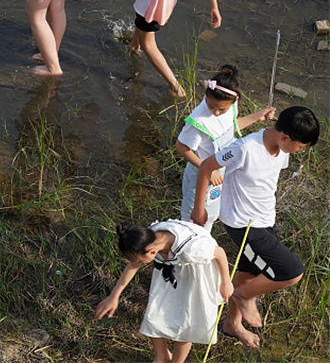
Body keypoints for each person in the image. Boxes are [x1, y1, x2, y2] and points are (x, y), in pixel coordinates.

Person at [191, 106, 320, 348]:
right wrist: (200, 208)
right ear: (285, 136)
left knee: (247, 274)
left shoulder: (282, 148)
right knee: (292, 272)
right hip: (244, 225)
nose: (299, 152)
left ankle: (231, 324)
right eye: (300, 147)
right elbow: (208, 166)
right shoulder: (245, 148)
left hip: (264, 220)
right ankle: (243, 297)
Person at [95, 220, 233, 363]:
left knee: (185, 323)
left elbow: (219, 253)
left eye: (142, 260)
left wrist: (226, 282)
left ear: (152, 252)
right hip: (173, 269)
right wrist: (114, 295)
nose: (140, 263)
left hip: (197, 275)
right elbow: (134, 264)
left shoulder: (193, 248)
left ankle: (177, 361)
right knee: (154, 315)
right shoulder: (148, 238)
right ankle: (162, 356)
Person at [175, 65, 275, 230]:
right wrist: (206, 169)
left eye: (221, 109)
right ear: (206, 95)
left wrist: (257, 116)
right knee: (194, 217)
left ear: (234, 101)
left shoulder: (230, 108)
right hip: (201, 175)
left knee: (211, 211)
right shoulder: (199, 121)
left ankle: (206, 237)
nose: (215, 112)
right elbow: (181, 146)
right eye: (211, 105)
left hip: (220, 172)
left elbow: (231, 127)